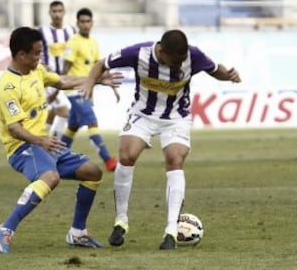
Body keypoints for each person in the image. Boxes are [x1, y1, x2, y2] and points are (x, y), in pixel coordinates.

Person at [80, 29, 241, 250]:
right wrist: (90, 82)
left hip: (176, 117)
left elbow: (214, 70)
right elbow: (101, 64)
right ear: (162, 52)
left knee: (175, 159)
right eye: (175, 61)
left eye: (182, 61)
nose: (179, 65)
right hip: (143, 114)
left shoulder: (193, 55)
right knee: (126, 155)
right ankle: (121, 221)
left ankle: (171, 231)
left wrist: (229, 75)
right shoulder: (138, 53)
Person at [0, 26, 121, 253]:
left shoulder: (37, 71)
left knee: (92, 172)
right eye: (36, 53)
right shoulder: (7, 86)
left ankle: (78, 233)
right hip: (22, 147)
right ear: (21, 55)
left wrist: (96, 80)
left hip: (44, 145)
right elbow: (14, 128)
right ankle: (5, 228)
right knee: (50, 177)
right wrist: (41, 141)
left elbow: (62, 81)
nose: (39, 57)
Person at [61, 7, 119, 172]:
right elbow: (65, 68)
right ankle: (108, 160)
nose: (85, 25)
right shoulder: (73, 42)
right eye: (82, 22)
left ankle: (55, 157)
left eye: (88, 21)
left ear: (92, 23)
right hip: (74, 89)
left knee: (72, 126)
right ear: (77, 23)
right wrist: (57, 87)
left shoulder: (93, 42)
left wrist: (111, 87)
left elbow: (97, 68)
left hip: (86, 89)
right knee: (92, 122)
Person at [38, 0, 75, 138]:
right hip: (49, 78)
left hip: (66, 78)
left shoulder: (71, 31)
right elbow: (36, 52)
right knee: (65, 111)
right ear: (49, 13)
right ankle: (54, 148)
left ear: (64, 12)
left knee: (52, 114)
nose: (57, 14)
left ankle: (37, 140)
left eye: (60, 11)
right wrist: (43, 65)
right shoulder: (42, 31)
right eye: (54, 11)